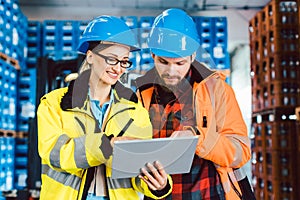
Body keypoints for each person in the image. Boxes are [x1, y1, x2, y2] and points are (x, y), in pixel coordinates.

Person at [37, 15, 172, 200]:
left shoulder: (135, 112)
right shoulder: (53, 104)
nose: (119, 68)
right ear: (90, 56)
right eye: (112, 59)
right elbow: (55, 155)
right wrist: (106, 145)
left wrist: (158, 184)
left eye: (124, 61)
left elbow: (136, 174)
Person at [135, 8, 251, 200]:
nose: (171, 71)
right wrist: (156, 185)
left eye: (179, 63)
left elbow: (241, 152)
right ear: (153, 55)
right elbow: (136, 160)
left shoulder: (218, 91)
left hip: (210, 194)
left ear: (192, 56)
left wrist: (198, 138)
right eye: (164, 62)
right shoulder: (141, 96)